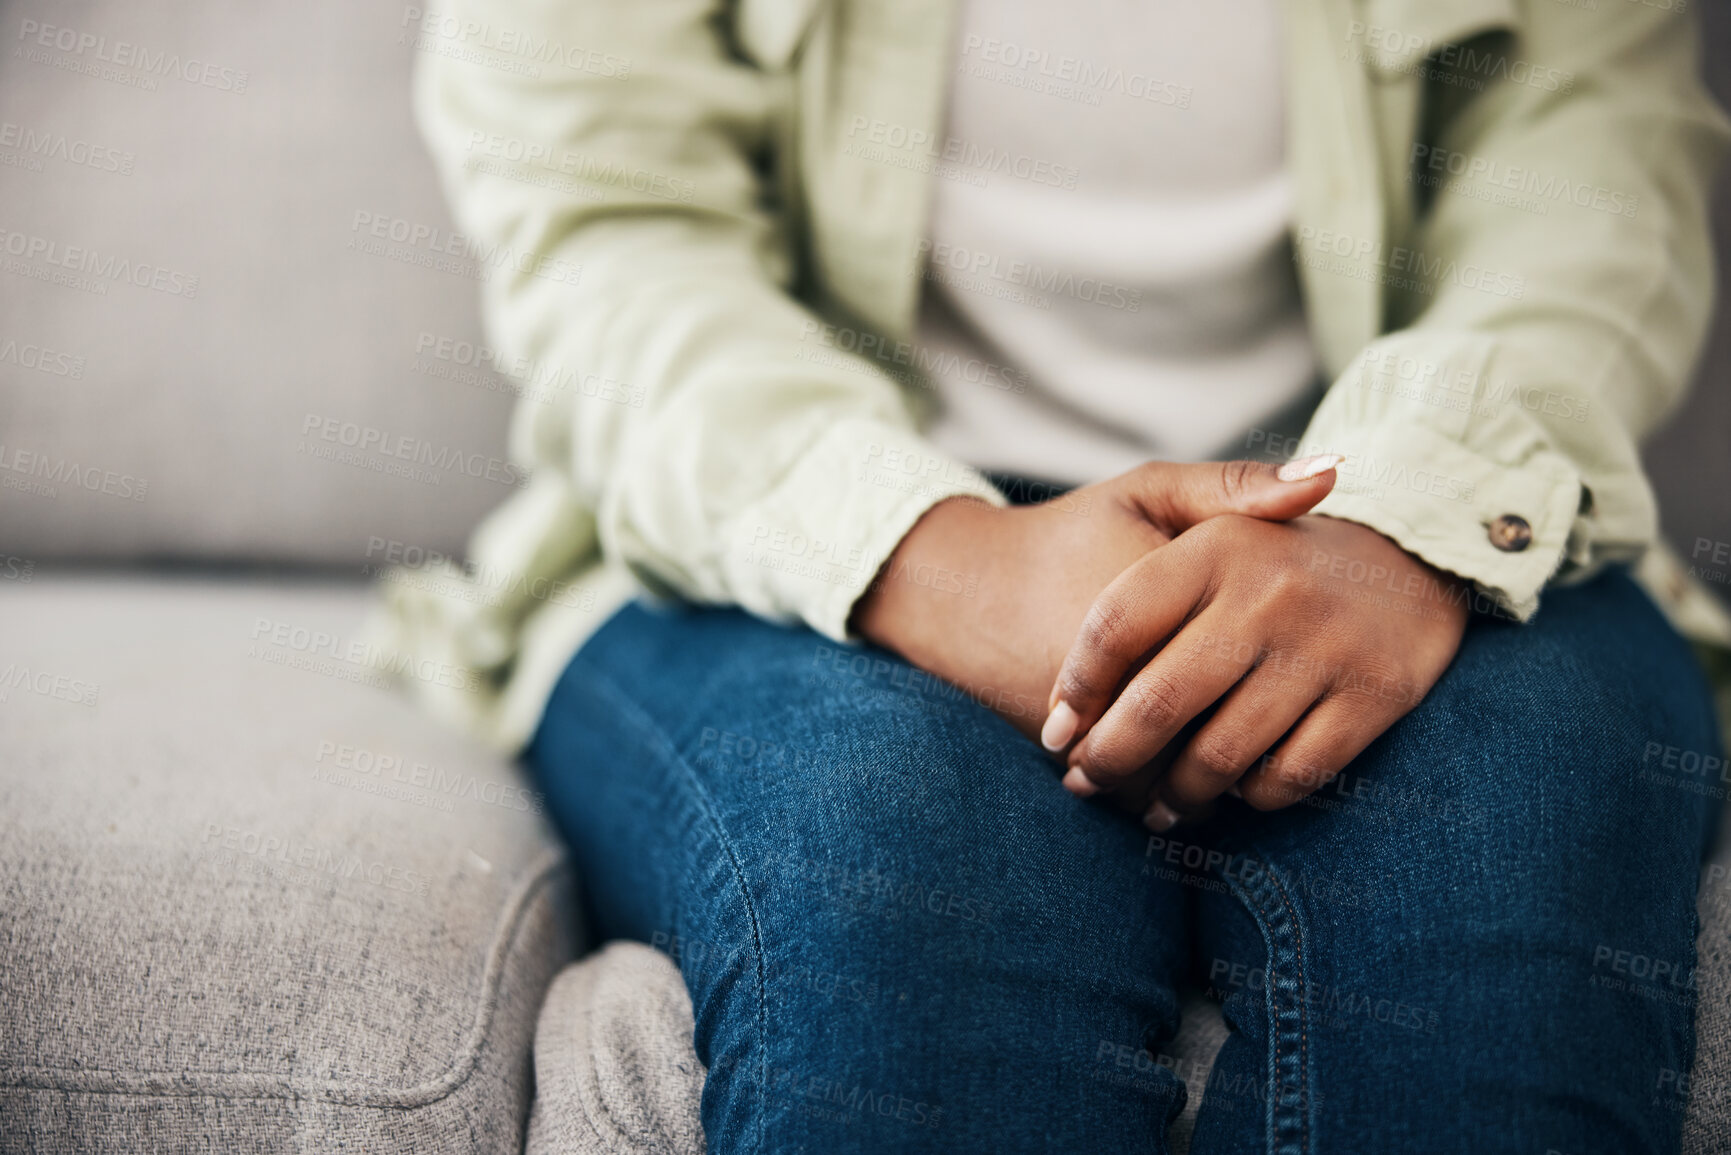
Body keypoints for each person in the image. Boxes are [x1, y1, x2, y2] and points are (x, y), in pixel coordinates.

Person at [378, 0, 1731, 1149]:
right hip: (787, 525)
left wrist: (1405, 514)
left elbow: (1598, 180)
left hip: (1401, 507)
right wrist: (932, 556)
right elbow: (609, 234)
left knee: (1506, 852)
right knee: (903, 850)